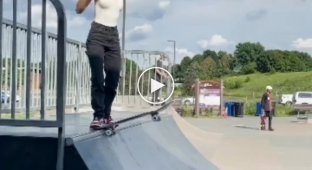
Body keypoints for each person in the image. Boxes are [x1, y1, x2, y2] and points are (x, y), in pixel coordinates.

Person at [76, 0, 123, 129]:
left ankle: (106, 115)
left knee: (114, 76)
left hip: (113, 36)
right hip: (97, 34)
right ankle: (98, 115)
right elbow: (78, 9)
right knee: (98, 77)